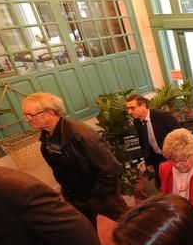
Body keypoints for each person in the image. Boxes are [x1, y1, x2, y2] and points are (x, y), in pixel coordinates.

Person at [22, 92, 127, 226]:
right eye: (25, 115)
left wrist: (96, 194)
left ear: (49, 113)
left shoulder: (82, 134)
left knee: (131, 225)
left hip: (99, 196)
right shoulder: (47, 136)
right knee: (86, 233)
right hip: (74, 196)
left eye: (30, 115)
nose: (27, 119)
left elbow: (111, 168)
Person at [126, 93, 181, 188]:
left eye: (132, 108)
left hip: (173, 156)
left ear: (143, 105)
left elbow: (180, 136)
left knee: (177, 183)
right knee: (161, 186)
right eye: (128, 109)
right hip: (157, 158)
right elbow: (143, 142)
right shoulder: (137, 121)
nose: (129, 112)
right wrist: (148, 161)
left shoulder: (163, 116)